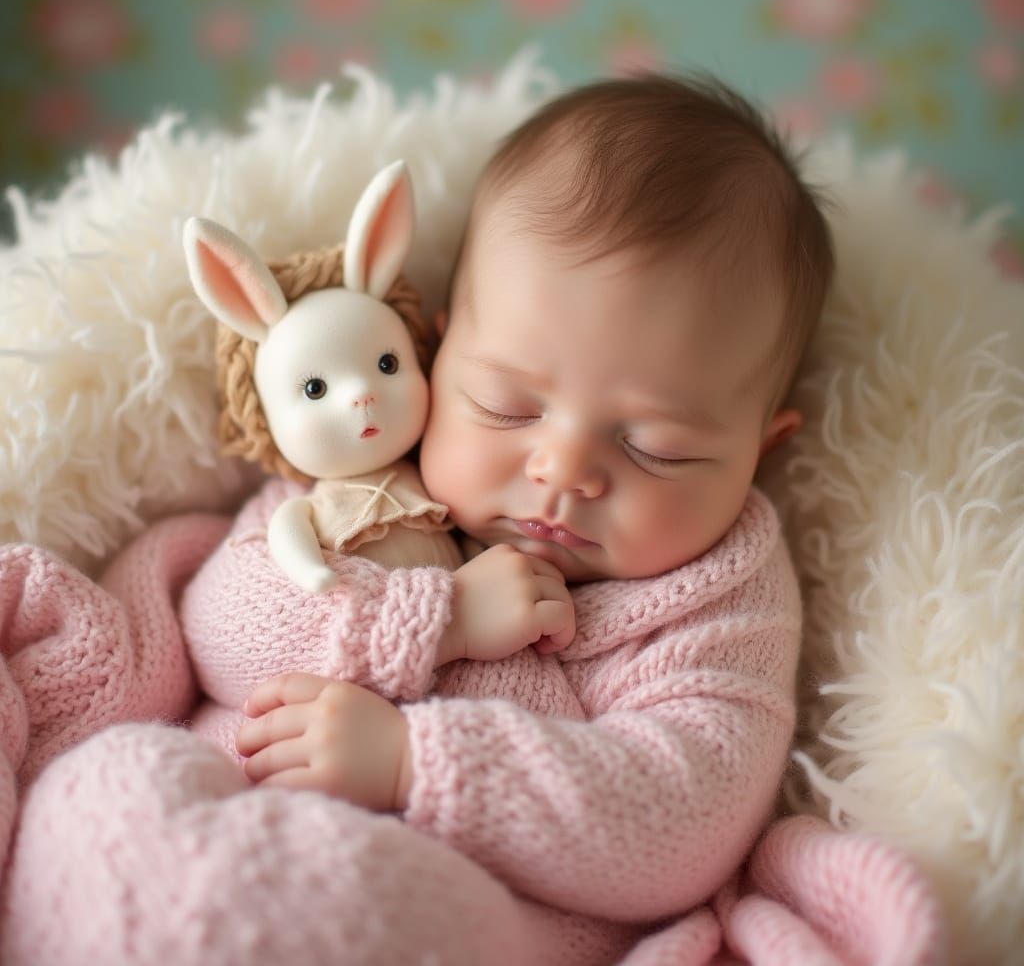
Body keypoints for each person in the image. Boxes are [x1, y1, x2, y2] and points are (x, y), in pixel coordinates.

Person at [1, 72, 842, 966]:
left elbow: (682, 817)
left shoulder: (717, 600)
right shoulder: (362, 482)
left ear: (762, 451)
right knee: (106, 785)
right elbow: (221, 626)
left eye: (656, 448)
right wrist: (433, 624)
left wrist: (417, 761)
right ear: (436, 358)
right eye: (510, 407)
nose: (561, 470)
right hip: (210, 800)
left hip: (447, 900)